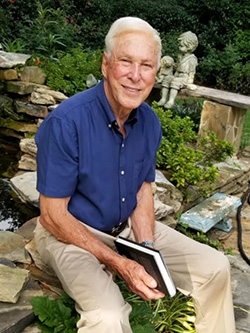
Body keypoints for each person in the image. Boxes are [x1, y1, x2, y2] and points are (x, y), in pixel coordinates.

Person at [34, 17, 236, 333]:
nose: (135, 76)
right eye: (125, 62)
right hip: (68, 235)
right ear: (105, 64)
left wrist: (145, 248)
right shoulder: (66, 123)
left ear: (156, 73)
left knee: (216, 267)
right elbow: (52, 216)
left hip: (124, 230)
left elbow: (143, 188)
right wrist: (120, 263)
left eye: (146, 65)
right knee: (108, 316)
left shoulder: (150, 122)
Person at [164, 31, 198, 109]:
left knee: (175, 82)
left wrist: (189, 82)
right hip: (176, 75)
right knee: (167, 79)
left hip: (184, 78)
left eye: (181, 46)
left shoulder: (192, 59)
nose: (179, 47)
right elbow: (177, 66)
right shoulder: (180, 56)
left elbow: (192, 72)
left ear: (190, 46)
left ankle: (171, 101)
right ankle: (163, 98)